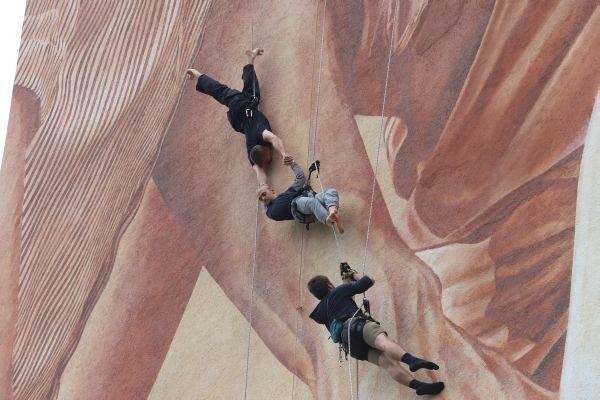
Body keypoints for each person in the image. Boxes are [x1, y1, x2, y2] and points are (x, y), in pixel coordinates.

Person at [307, 267, 445, 396]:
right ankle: (411, 360)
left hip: (349, 344)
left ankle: (418, 386)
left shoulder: (320, 312)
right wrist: (353, 274)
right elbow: (368, 281)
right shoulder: (338, 291)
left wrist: (346, 281)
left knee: (387, 363)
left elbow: (342, 302)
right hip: (356, 325)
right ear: (329, 285)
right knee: (382, 341)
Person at [186, 48, 292, 185]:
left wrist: (284, 153)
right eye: (266, 161)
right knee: (221, 92)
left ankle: (198, 74)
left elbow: (274, 139)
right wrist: (264, 186)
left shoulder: (261, 136)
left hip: (243, 106)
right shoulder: (254, 148)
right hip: (237, 117)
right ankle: (198, 74)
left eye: (266, 160)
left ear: (265, 150)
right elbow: (259, 169)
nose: (268, 161)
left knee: (250, 91)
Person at [257, 158, 344, 234]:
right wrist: (265, 202)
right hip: (298, 208)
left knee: (331, 192)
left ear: (272, 190)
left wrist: (292, 163)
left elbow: (300, 178)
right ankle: (328, 220)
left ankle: (333, 212)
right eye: (261, 199)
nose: (263, 198)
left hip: (311, 197)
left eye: (263, 194)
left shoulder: (289, 192)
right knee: (310, 202)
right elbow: (271, 213)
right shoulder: (270, 211)